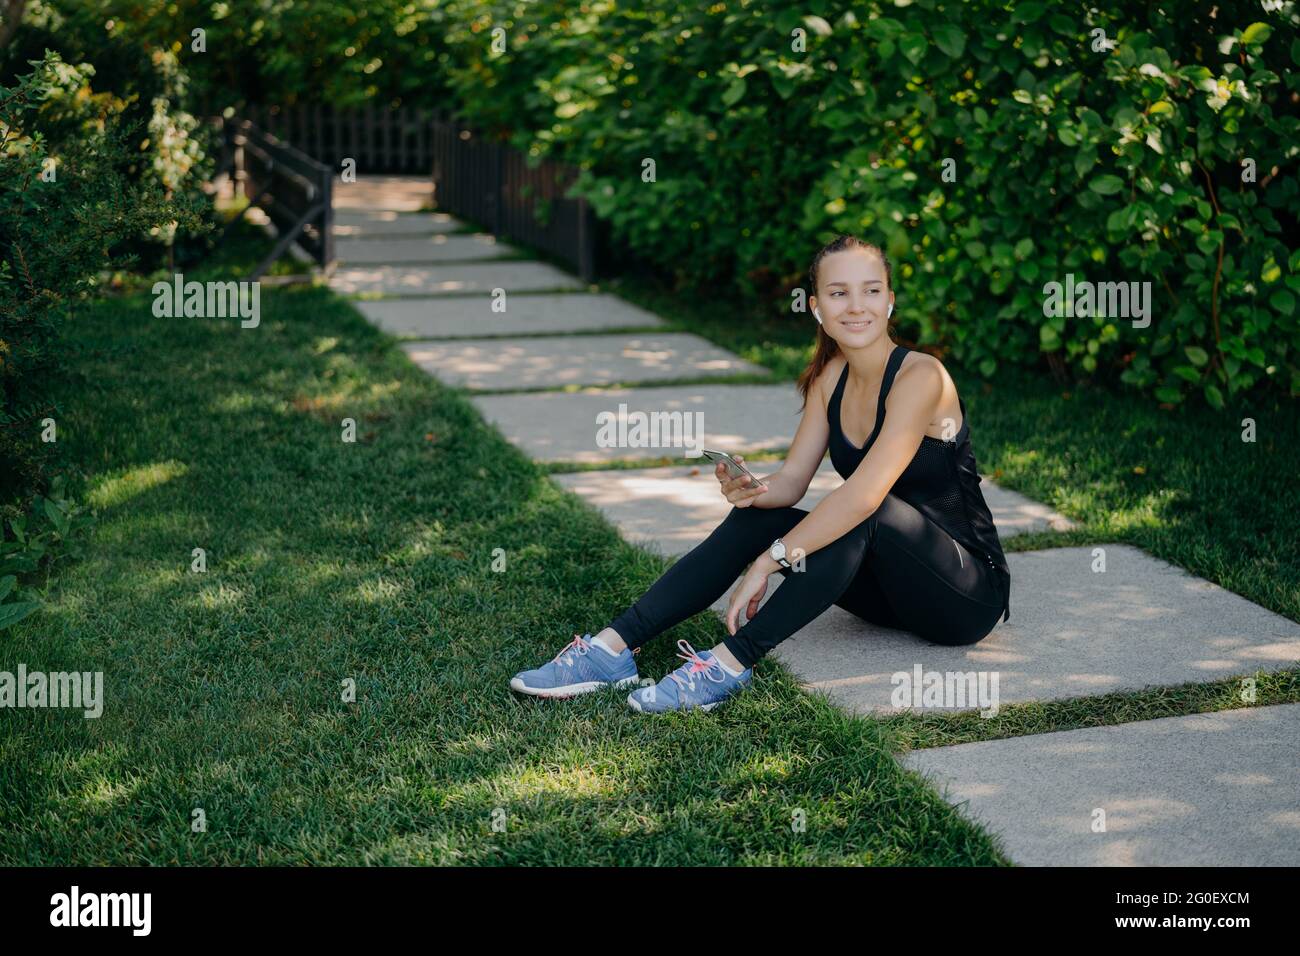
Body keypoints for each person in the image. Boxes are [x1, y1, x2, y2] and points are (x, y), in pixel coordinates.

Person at [511, 235, 1011, 713]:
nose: (856, 306)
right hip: (888, 592)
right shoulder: (829, 378)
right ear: (817, 308)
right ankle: (611, 649)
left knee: (865, 510)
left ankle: (728, 664)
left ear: (889, 301)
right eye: (839, 293)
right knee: (761, 521)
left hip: (963, 595)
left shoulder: (921, 376)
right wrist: (751, 491)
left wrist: (771, 561)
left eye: (871, 291)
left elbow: (863, 498)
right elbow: (793, 482)